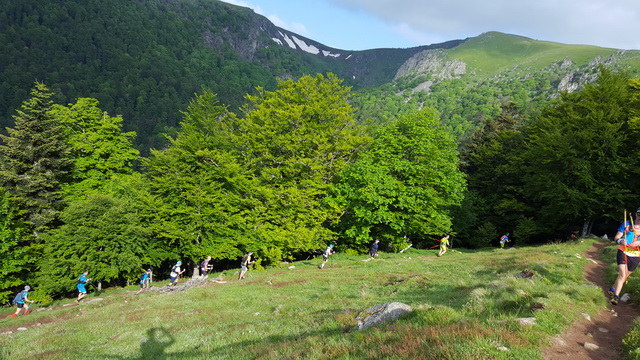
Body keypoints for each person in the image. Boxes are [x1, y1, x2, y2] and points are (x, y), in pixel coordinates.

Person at [609, 208, 640, 305]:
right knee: (622, 274)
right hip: (623, 251)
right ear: (636, 214)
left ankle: (613, 289)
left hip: (635, 255)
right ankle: (616, 296)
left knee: (624, 276)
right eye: (639, 214)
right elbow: (617, 237)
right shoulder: (626, 224)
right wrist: (620, 241)